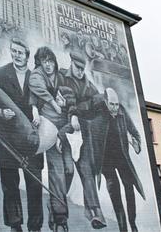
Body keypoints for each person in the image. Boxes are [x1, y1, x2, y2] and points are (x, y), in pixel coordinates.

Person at [0, 38, 44, 232]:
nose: (16, 55)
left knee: (35, 186)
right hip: (8, 138)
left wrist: (38, 112)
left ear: (27, 55)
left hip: (32, 139)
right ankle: (15, 225)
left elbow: (46, 104)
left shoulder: (37, 79)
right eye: (14, 51)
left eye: (20, 52)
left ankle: (35, 227)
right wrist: (0, 112)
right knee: (10, 185)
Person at [29, 47, 75, 232]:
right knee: (57, 173)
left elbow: (73, 99)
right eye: (44, 61)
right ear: (40, 62)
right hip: (49, 128)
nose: (48, 65)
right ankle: (60, 219)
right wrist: (34, 110)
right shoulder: (37, 76)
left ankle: (54, 204)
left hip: (65, 129)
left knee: (69, 171)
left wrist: (66, 104)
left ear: (54, 61)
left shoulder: (63, 76)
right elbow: (34, 94)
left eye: (50, 61)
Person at [58, 51, 106, 229]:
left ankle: (95, 212)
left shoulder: (88, 84)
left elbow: (99, 101)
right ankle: (58, 210)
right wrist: (79, 109)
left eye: (82, 68)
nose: (80, 71)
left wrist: (81, 108)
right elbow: (65, 98)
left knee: (87, 171)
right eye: (78, 68)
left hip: (81, 133)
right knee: (67, 172)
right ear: (71, 63)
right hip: (64, 131)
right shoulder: (61, 75)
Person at [95, 88, 145, 232]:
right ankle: (123, 227)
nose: (115, 108)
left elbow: (135, 132)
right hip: (106, 161)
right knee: (114, 191)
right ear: (105, 102)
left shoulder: (122, 112)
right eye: (112, 104)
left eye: (117, 104)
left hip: (122, 156)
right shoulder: (99, 111)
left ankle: (132, 223)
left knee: (129, 188)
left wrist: (136, 144)